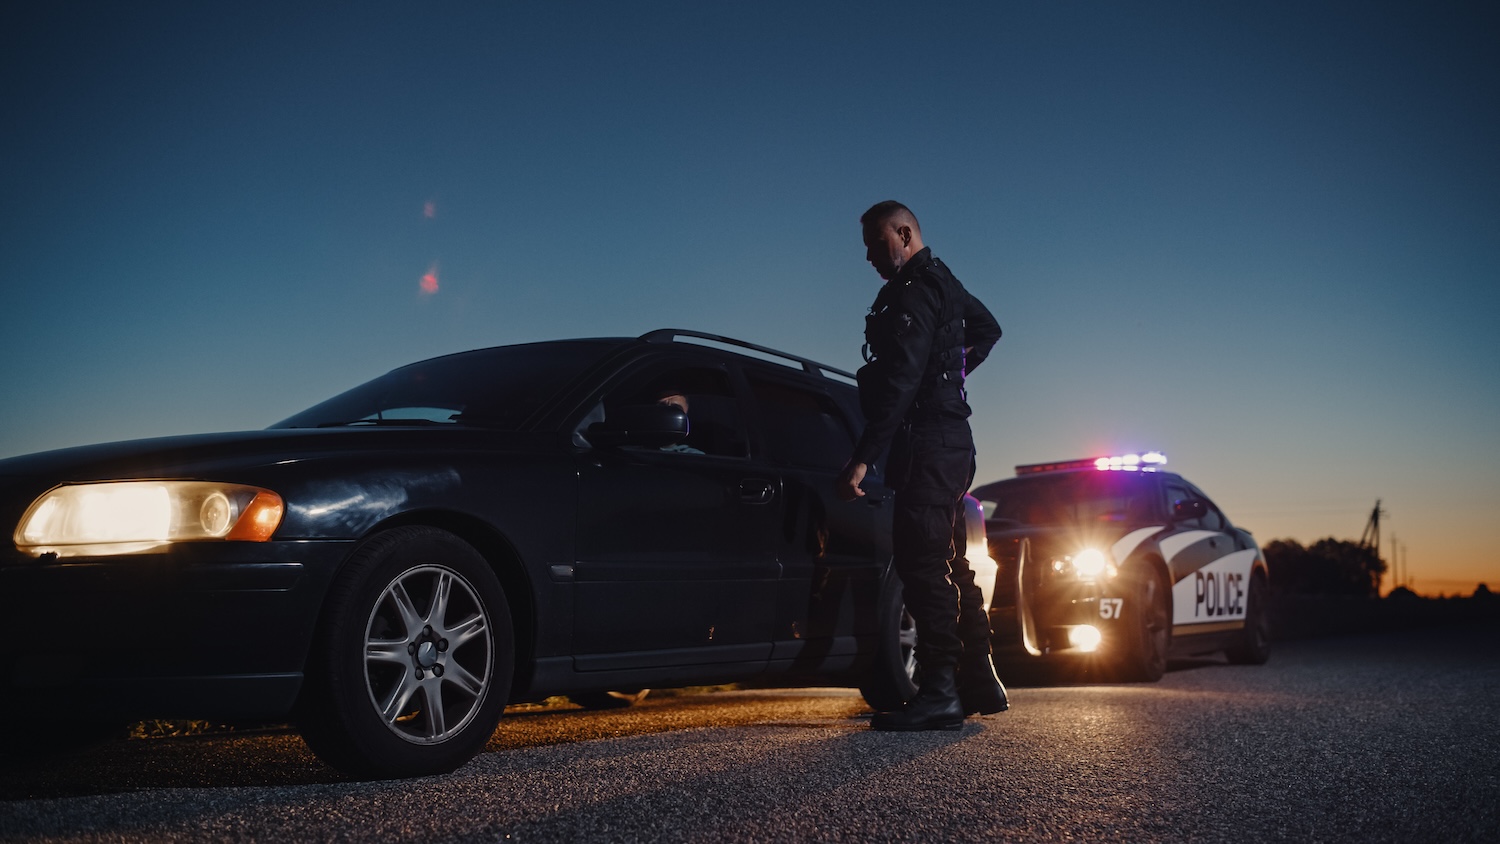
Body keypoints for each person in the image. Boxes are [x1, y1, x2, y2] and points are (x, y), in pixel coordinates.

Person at [835, 200, 1008, 731]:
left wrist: (862, 459)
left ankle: (939, 693)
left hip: (930, 444)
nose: (868, 256)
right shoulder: (945, 281)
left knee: (921, 567)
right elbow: (988, 328)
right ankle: (978, 681)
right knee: (950, 563)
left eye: (876, 243)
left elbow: (902, 382)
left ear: (905, 233)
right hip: (952, 441)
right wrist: (950, 374)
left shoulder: (916, 290)